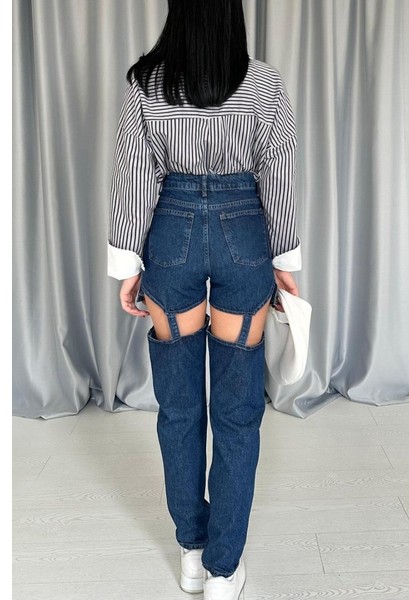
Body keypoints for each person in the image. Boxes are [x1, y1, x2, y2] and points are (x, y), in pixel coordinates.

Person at [107, 1, 301, 598]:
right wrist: (285, 260)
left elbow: (133, 174)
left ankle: (192, 552)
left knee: (179, 408)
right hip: (245, 233)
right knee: (238, 411)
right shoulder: (263, 84)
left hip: (172, 232)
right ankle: (223, 570)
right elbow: (280, 174)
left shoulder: (147, 84)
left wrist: (127, 263)